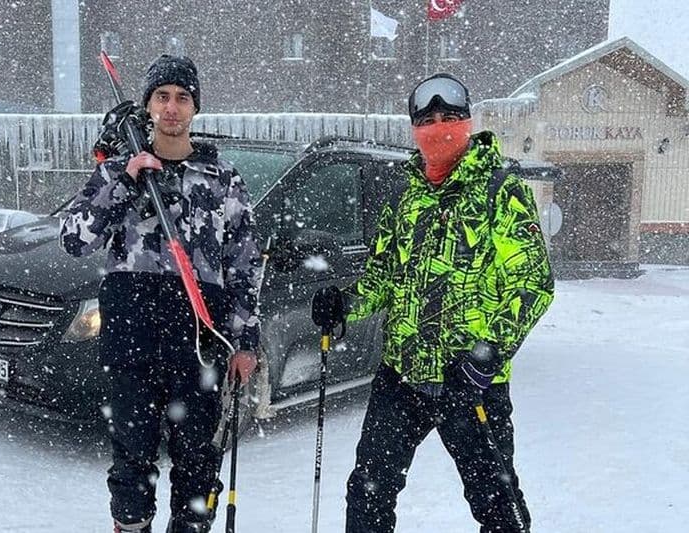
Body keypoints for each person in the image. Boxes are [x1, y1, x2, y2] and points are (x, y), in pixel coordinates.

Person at [312, 73, 554, 532]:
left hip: (470, 381)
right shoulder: (404, 196)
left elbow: (533, 283)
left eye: (450, 118)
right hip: (402, 375)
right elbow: (384, 275)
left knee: (498, 504)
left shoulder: (500, 191)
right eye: (428, 120)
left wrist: (491, 350)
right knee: (368, 492)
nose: (439, 127)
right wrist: (344, 303)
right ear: (414, 129)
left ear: (468, 123)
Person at [59, 55, 262, 533]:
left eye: (182, 98)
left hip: (199, 336)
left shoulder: (221, 178)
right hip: (133, 336)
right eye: (162, 97)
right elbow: (73, 238)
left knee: (196, 463)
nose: (172, 108)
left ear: (195, 108)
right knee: (132, 460)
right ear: (149, 105)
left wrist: (246, 340)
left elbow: (244, 264)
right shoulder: (120, 171)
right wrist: (126, 180)